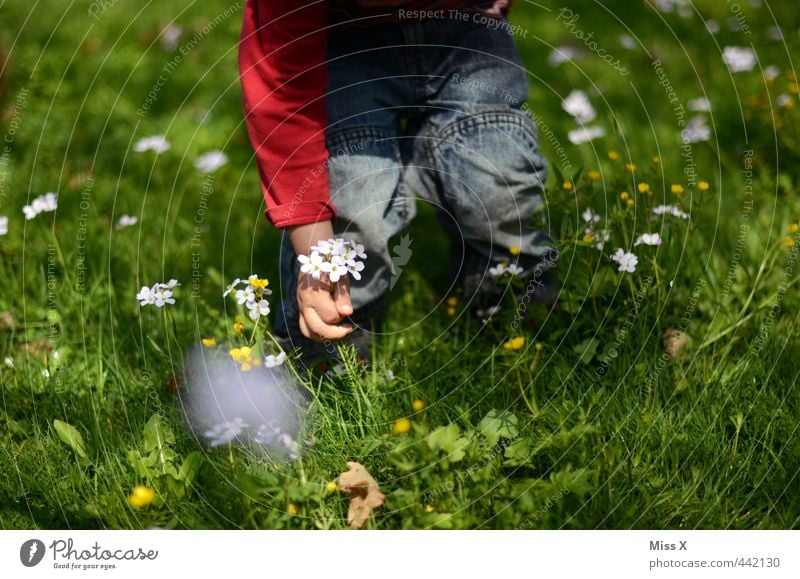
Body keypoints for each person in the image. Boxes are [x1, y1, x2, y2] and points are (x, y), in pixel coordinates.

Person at [238, 0, 556, 366]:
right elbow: (283, 97)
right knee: (353, 208)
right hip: (342, 42)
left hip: (467, 27)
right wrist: (318, 258)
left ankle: (513, 305)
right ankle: (332, 341)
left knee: (498, 185)